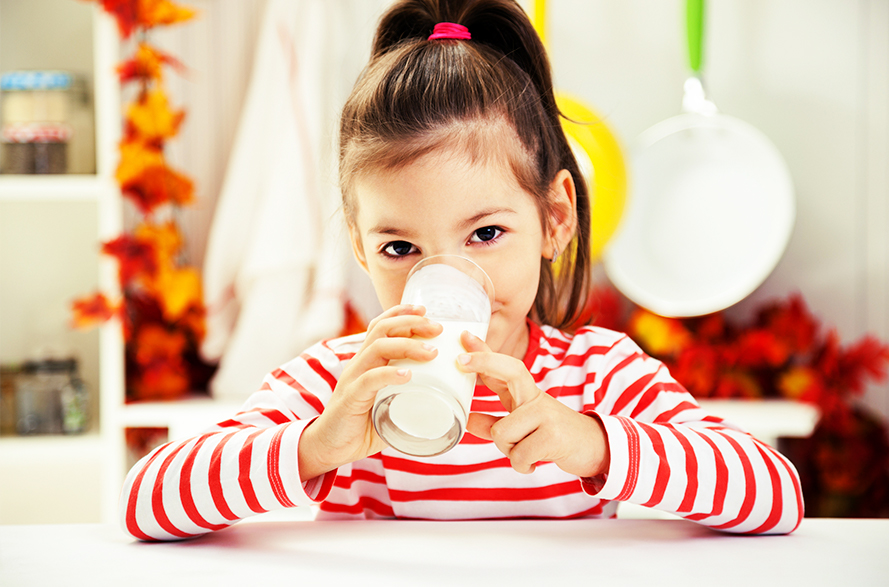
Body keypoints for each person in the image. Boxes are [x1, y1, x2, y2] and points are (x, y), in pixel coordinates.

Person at [120, 0, 804, 541]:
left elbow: (774, 493)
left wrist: (592, 442)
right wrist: (310, 445)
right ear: (357, 244)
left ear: (555, 218)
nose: (446, 277)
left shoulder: (597, 375)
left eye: (484, 233)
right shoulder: (337, 381)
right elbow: (144, 502)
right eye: (399, 247)